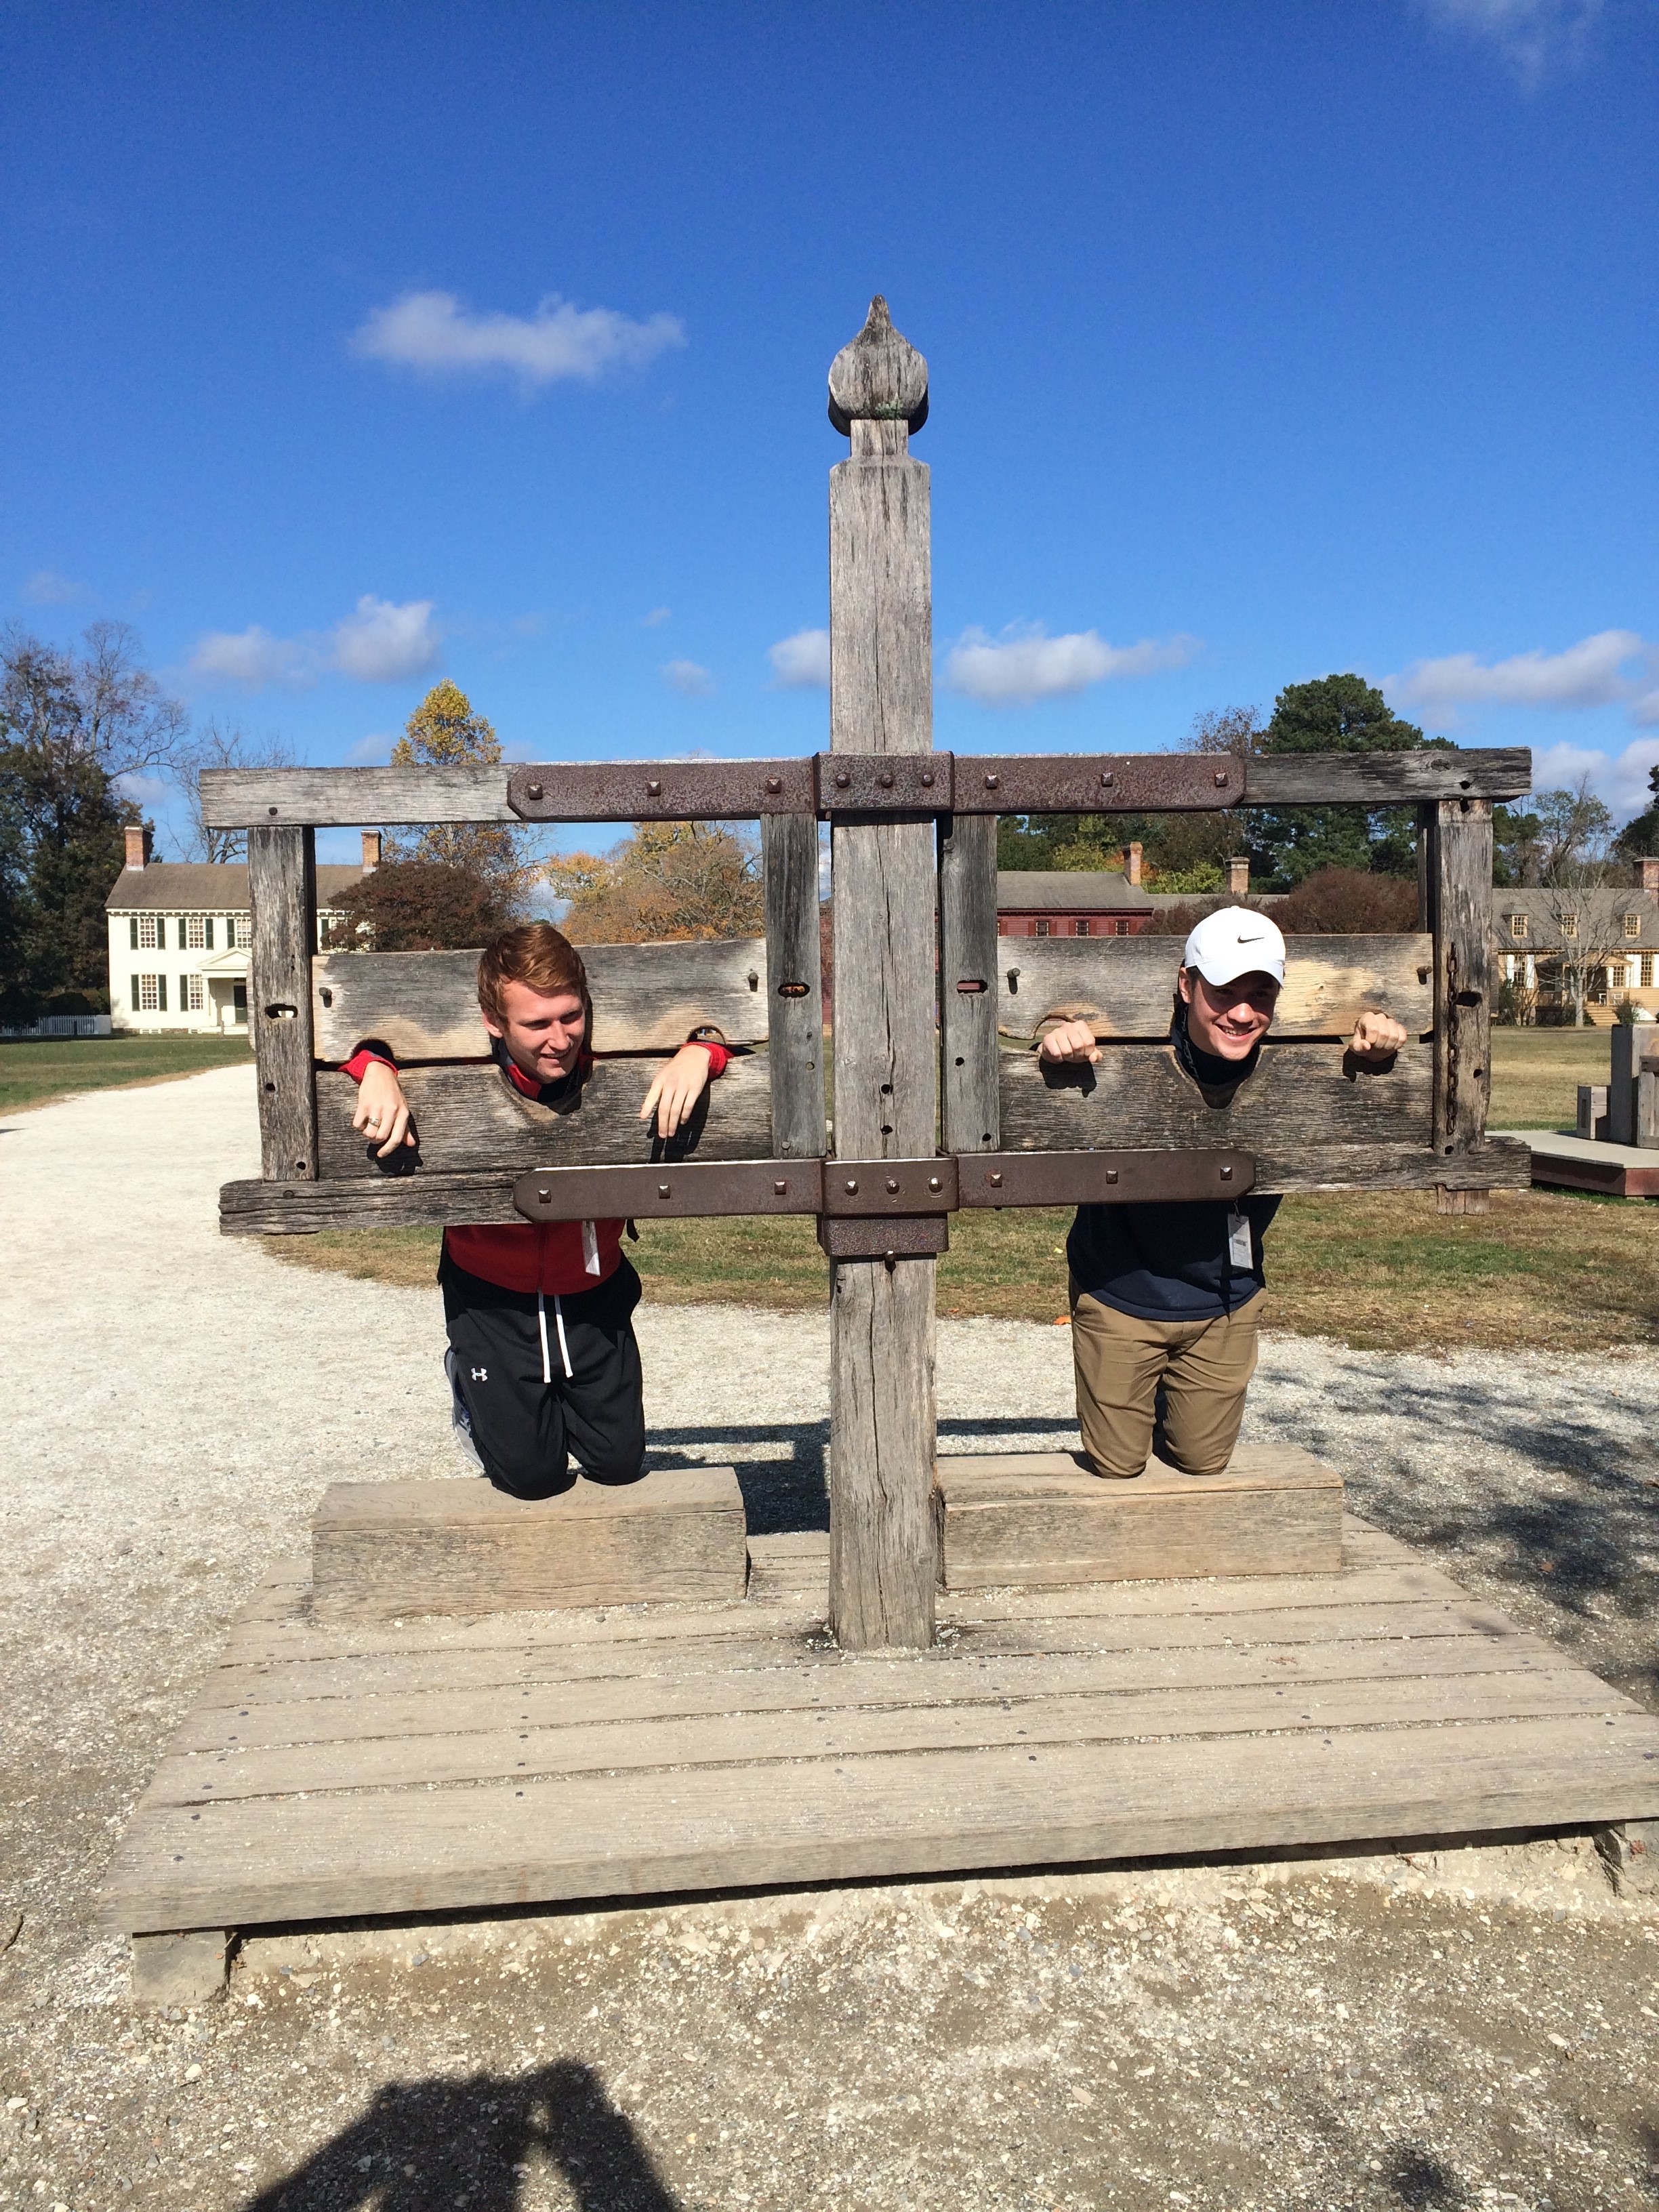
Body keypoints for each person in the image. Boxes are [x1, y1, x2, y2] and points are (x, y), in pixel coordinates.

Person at [342, 921, 730, 1500]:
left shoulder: (604, 1058)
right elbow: (365, 1037)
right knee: (532, 1479)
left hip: (594, 1287)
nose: (560, 1040)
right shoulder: (464, 1069)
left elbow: (725, 1025)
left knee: (619, 1465)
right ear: (492, 1024)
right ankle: (472, 1385)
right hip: (489, 1295)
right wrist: (373, 1066)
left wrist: (703, 1050)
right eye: (536, 1024)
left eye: (571, 1017)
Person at [1036, 907, 1407, 1481]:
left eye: (1260, 994)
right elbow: (1038, 1032)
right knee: (1117, 1465)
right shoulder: (1132, 1046)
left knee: (1201, 1461)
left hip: (1225, 1297)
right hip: (1119, 1285)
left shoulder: (1307, 1053)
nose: (1241, 1012)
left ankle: (1172, 1397)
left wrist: (1378, 1049)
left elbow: (1377, 1048)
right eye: (1223, 991)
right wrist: (1054, 1039)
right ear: (1185, 985)